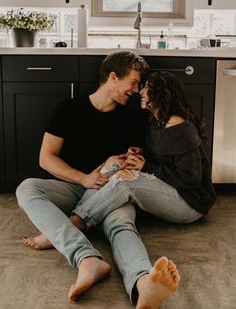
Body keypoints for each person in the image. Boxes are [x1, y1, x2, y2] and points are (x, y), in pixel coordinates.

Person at [16, 51, 180, 309]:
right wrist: (83, 178)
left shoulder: (132, 117)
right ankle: (86, 259)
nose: (137, 90)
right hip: (73, 187)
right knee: (26, 187)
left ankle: (142, 284)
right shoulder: (69, 109)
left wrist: (116, 164)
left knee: (122, 225)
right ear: (113, 77)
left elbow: (131, 165)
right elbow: (46, 158)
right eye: (134, 83)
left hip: (112, 190)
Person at [67, 70, 217, 245]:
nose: (140, 92)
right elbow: (165, 156)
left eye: (147, 87)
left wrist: (146, 167)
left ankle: (76, 224)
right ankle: (77, 215)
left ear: (162, 94)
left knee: (126, 182)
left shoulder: (179, 128)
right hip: (172, 190)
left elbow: (191, 178)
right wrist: (140, 154)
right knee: (115, 166)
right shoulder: (158, 120)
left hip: (190, 204)